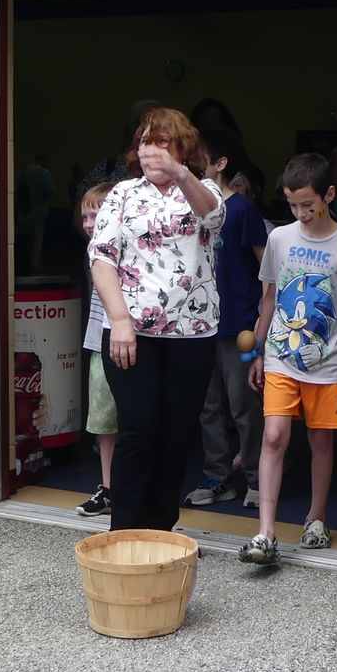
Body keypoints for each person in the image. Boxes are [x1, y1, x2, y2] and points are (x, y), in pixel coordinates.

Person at [88, 107, 225, 533]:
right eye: (145, 142)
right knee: (138, 428)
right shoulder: (122, 193)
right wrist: (119, 321)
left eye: (162, 142)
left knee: (177, 433)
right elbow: (101, 258)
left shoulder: (203, 189)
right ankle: (125, 532)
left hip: (192, 333)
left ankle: (160, 531)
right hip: (131, 333)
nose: (150, 150)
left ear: (182, 148)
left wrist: (180, 174)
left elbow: (212, 216)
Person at [239, 153, 337, 566]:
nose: (300, 213)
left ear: (329, 195)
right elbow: (269, 297)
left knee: (321, 439)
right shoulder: (280, 239)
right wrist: (257, 351)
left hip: (328, 358)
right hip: (280, 356)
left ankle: (316, 519)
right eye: (292, 204)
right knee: (273, 437)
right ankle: (266, 532)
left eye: (308, 204)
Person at [187, 138, 268, 510]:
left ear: (220, 163)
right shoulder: (188, 208)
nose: (192, 167)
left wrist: (262, 318)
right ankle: (218, 477)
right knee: (208, 407)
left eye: (199, 160)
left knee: (244, 406)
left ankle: (256, 477)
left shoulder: (242, 209)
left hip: (240, 324)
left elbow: (268, 269)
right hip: (199, 324)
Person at [75, 182, 118, 518]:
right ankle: (108, 488)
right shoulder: (92, 250)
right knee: (104, 421)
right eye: (85, 217)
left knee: (134, 421)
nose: (88, 224)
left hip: (127, 340)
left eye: (95, 216)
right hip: (97, 342)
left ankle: (133, 488)